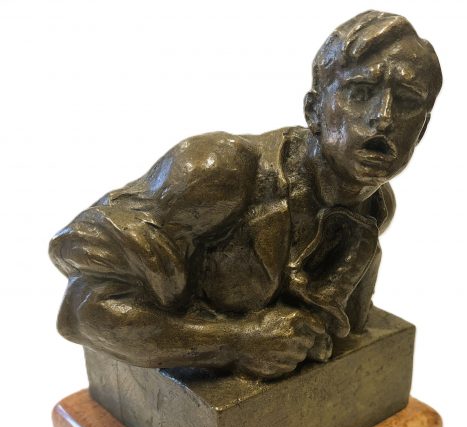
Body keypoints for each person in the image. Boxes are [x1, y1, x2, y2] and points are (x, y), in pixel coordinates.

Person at [49, 10, 442, 378]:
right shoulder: (220, 171)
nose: (384, 117)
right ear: (314, 111)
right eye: (359, 92)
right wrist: (235, 342)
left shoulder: (375, 210)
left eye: (408, 102)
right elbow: (84, 311)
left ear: (422, 130)